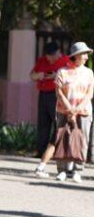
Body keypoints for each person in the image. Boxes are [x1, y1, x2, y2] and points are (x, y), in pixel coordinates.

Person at [51, 42, 93, 182]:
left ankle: (77, 170)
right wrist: (70, 109)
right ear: (76, 56)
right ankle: (62, 170)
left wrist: (77, 110)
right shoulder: (62, 71)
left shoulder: (89, 73)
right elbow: (59, 92)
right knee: (62, 139)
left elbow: (89, 94)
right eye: (84, 54)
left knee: (82, 140)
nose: (86, 57)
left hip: (84, 111)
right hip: (64, 111)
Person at [32, 41, 69, 173]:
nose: (49, 59)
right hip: (43, 95)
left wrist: (56, 76)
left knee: (57, 124)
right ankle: (41, 152)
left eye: (51, 56)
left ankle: (57, 153)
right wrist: (40, 75)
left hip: (57, 96)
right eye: (48, 56)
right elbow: (32, 75)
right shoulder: (42, 61)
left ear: (58, 53)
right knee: (43, 124)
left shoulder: (66, 61)